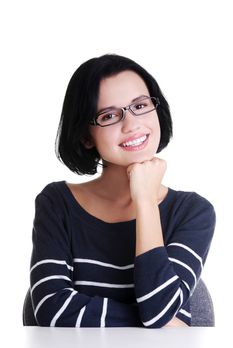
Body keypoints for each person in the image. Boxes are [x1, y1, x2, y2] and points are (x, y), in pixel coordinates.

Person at [29, 54, 216, 328]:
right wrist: (156, 322)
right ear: (85, 136)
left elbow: (159, 308)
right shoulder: (57, 204)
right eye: (109, 115)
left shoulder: (192, 212)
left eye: (140, 105)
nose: (132, 125)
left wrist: (145, 200)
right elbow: (51, 310)